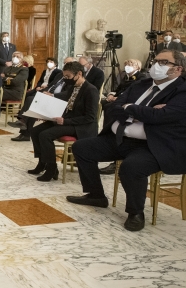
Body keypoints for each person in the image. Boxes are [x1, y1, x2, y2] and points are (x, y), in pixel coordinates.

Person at [67, 50, 186, 232]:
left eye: (163, 62)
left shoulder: (181, 91)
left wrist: (131, 108)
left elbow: (163, 115)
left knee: (131, 167)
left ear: (178, 69)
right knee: (82, 148)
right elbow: (112, 107)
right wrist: (139, 111)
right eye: (155, 61)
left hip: (153, 146)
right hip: (120, 138)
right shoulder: (141, 84)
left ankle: (135, 213)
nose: (155, 65)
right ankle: (96, 195)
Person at [28, 61, 100, 181]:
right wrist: (46, 113)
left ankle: (52, 169)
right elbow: (64, 97)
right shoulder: (73, 87)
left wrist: (65, 121)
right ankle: (42, 163)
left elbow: (90, 117)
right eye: (64, 76)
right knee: (35, 131)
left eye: (68, 77)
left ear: (79, 74)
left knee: (46, 135)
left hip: (81, 126)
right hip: (67, 119)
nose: (66, 79)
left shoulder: (91, 90)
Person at [98, 58, 145, 175]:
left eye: (130, 64)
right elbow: (119, 89)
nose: (127, 66)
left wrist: (117, 99)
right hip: (121, 101)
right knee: (105, 103)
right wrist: (111, 94)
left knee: (111, 108)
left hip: (131, 103)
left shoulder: (142, 78)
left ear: (137, 67)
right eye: (127, 64)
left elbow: (134, 94)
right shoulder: (125, 77)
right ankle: (107, 131)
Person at [10, 56, 72, 140]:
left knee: (31, 100)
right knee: (31, 102)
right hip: (49, 97)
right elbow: (50, 86)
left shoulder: (72, 77)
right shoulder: (60, 74)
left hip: (58, 101)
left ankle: (23, 124)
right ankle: (24, 128)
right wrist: (44, 91)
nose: (65, 65)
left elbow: (68, 93)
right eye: (64, 63)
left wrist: (52, 95)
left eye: (68, 63)